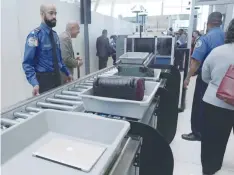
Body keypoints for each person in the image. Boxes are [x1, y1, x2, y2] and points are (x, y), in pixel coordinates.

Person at [182, 12, 225, 141]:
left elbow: (196, 61)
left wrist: (188, 77)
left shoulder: (205, 38)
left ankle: (197, 132)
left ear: (208, 22)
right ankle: (210, 131)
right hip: (223, 78)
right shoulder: (226, 37)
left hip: (206, 79)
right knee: (215, 106)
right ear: (221, 23)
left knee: (199, 104)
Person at [201, 19, 234, 175]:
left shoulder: (218, 51)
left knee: (211, 141)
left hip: (215, 102)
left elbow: (205, 76)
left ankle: (209, 169)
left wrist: (217, 85)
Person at [22, 4, 72, 96]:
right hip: (44, 82)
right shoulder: (34, 36)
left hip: (58, 78)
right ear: (42, 14)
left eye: (55, 14)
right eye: (51, 13)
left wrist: (67, 73)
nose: (54, 16)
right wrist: (35, 83)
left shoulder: (55, 35)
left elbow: (59, 60)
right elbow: (28, 63)